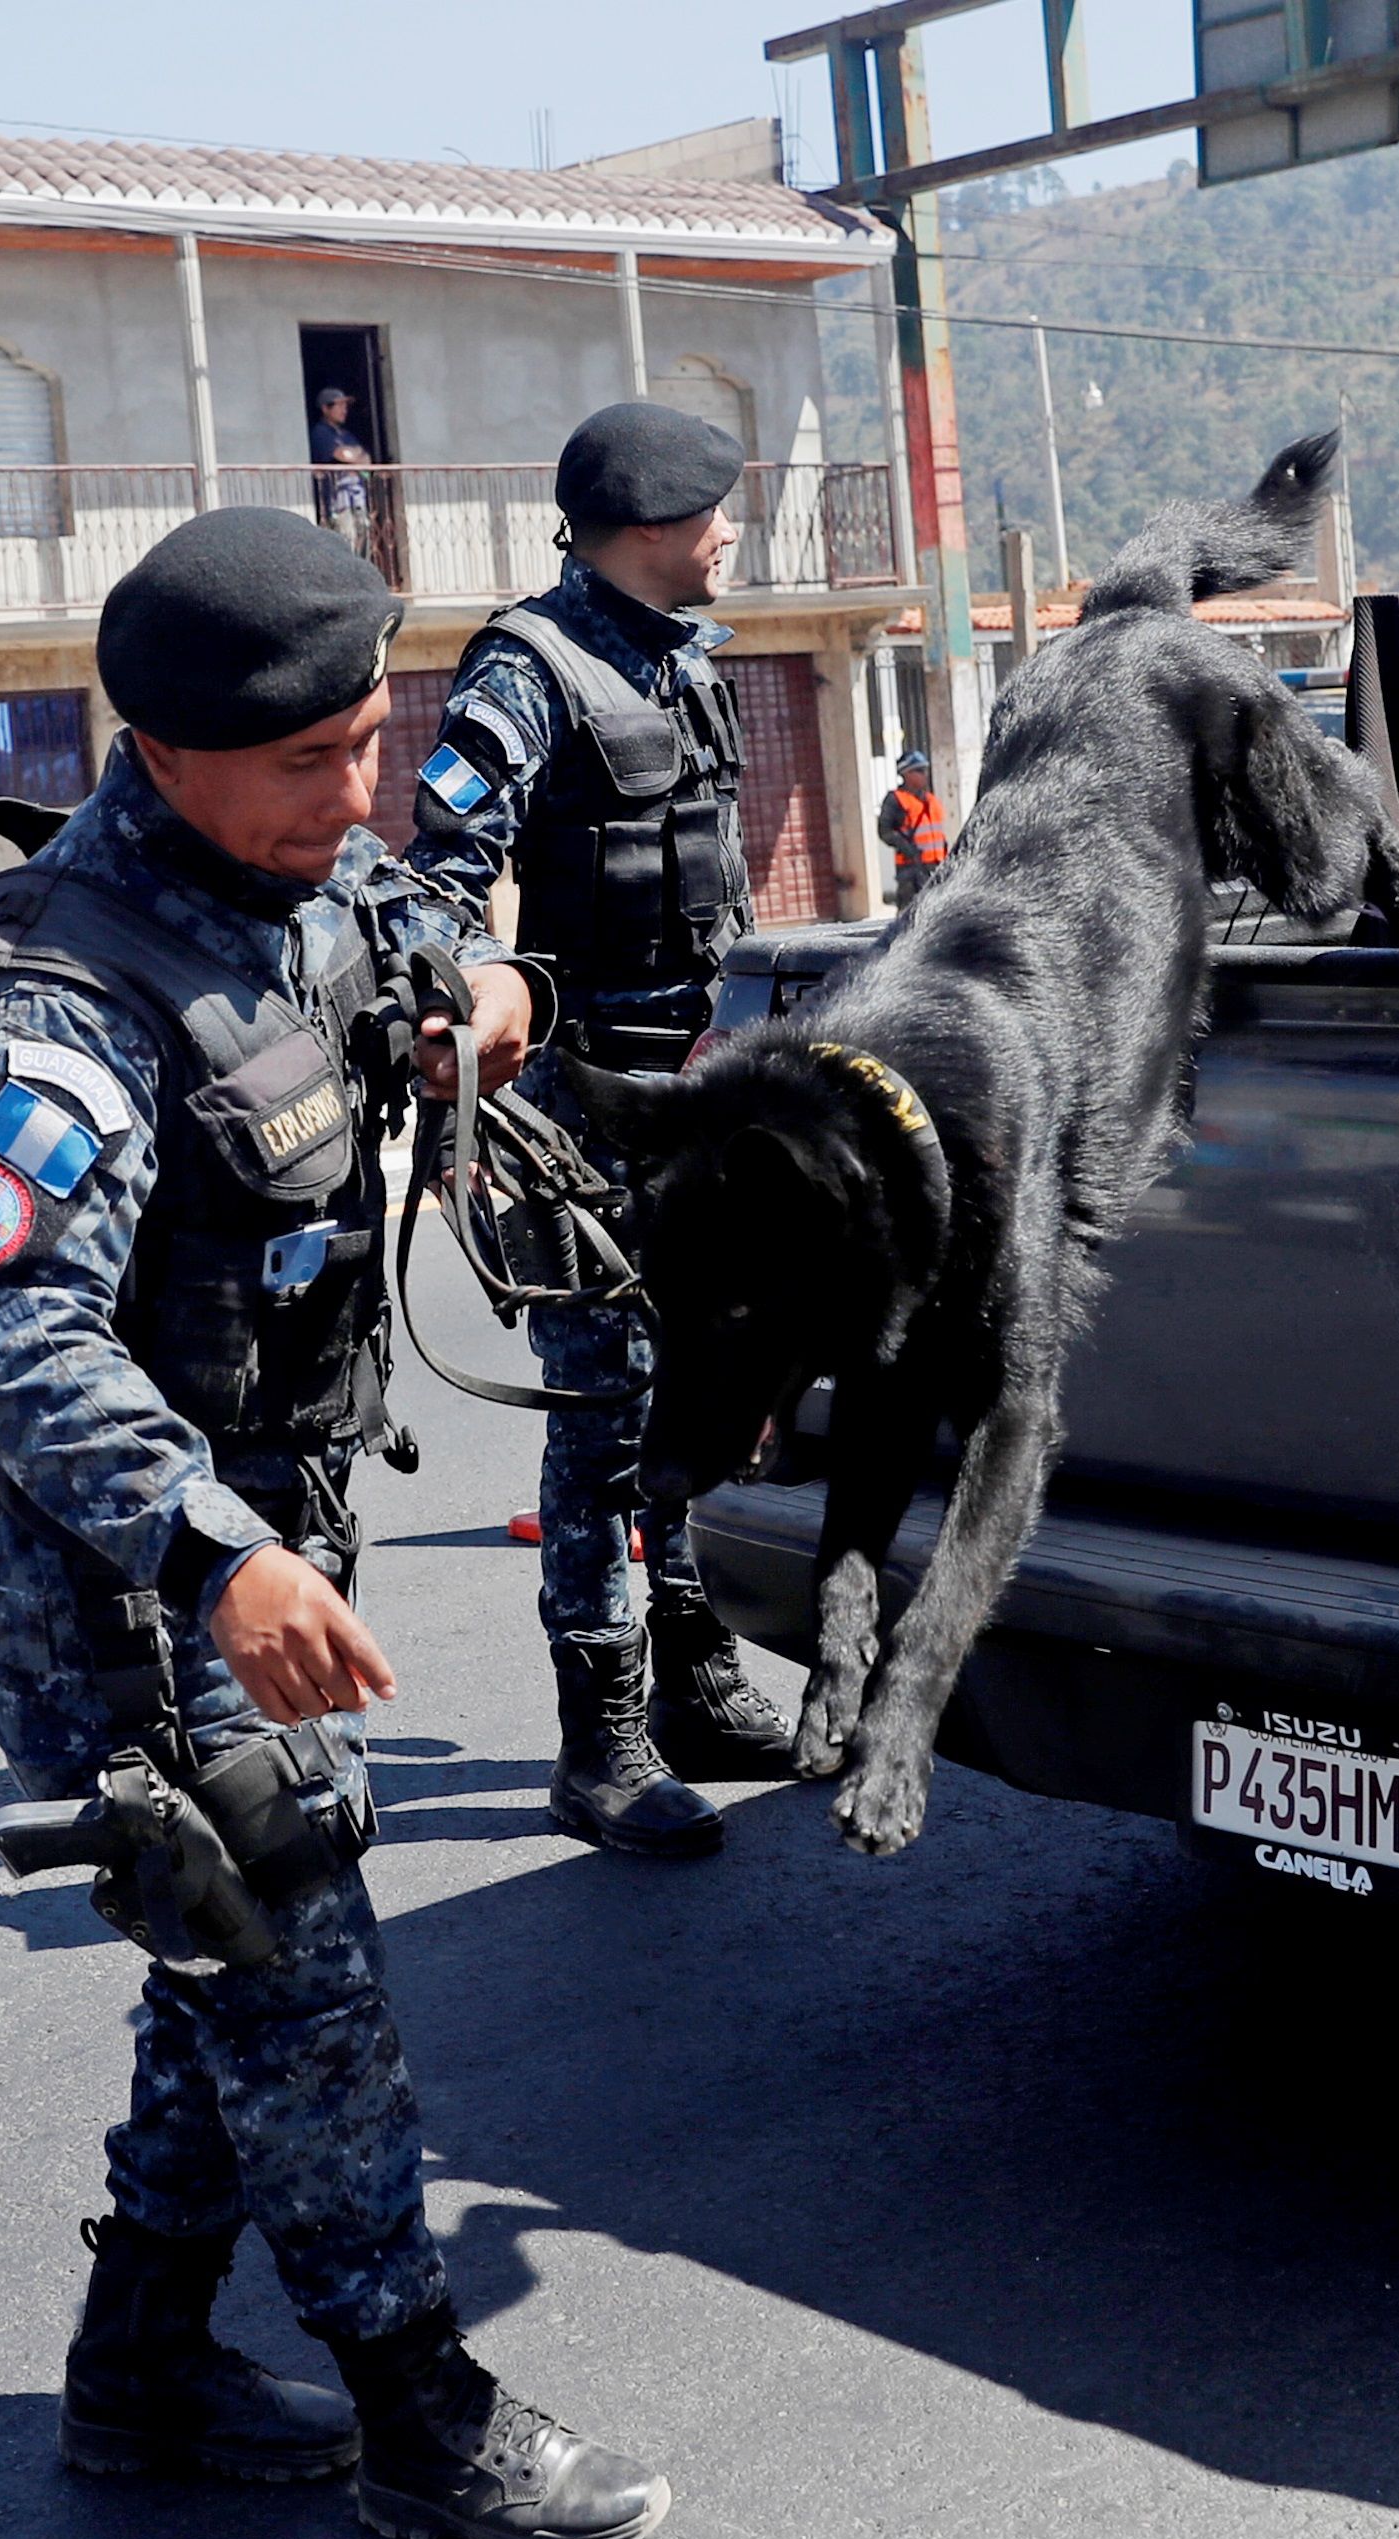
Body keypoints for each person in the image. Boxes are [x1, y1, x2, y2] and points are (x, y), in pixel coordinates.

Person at [0, 502, 670, 2539]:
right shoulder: (53, 1000)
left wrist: (488, 986)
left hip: (278, 1555)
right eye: (310, 762)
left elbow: (417, 926)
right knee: (301, 1989)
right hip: (130, 1609)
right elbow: (18, 1336)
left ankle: (136, 2369)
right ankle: (420, 2408)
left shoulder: (306, 867)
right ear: (161, 754)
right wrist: (223, 1554)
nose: (359, 791)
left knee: (220, 1982)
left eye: (368, 741)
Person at [393, 396, 798, 1859]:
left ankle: (697, 1686)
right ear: (651, 527)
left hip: (693, 1101)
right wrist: (459, 996)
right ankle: (602, 1742)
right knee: (606, 1412)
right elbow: (443, 871)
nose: (733, 537)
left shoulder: (685, 660)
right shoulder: (529, 666)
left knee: (692, 1391)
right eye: (717, 516)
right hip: (579, 1120)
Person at [875, 747, 948, 908]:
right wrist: (906, 848)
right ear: (906, 774)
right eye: (919, 771)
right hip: (911, 869)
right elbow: (884, 831)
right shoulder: (895, 800)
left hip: (936, 867)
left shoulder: (930, 799)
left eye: (925, 770)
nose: (925, 774)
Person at [308, 387, 376, 547]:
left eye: (345, 406)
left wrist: (353, 456)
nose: (344, 410)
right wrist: (353, 455)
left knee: (363, 537)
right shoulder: (321, 433)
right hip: (337, 501)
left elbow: (367, 460)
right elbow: (342, 454)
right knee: (346, 540)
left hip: (357, 497)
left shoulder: (346, 435)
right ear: (326, 408)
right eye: (339, 405)